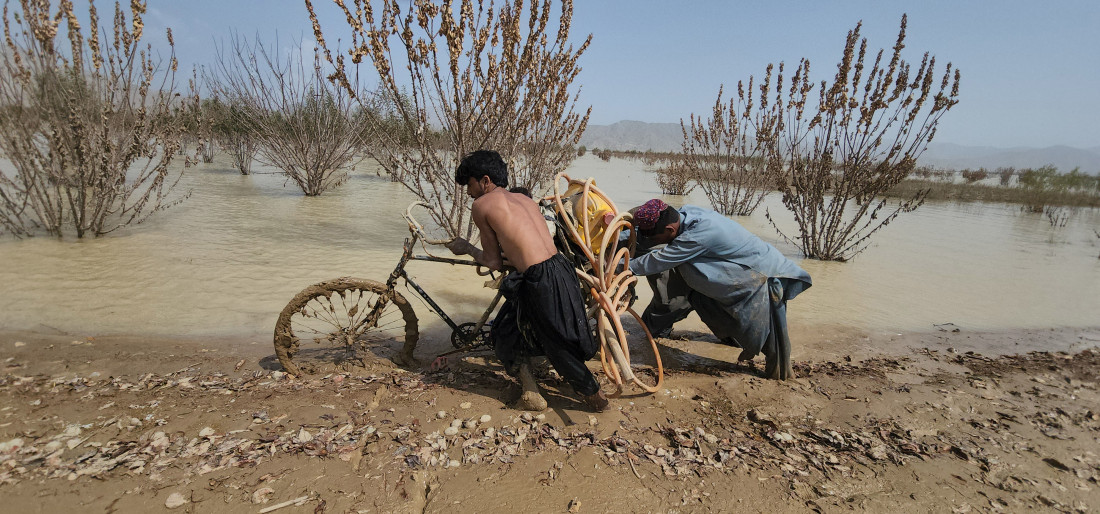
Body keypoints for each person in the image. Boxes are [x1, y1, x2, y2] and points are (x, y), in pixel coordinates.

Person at [444, 150, 608, 412]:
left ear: (485, 180)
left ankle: (594, 397)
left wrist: (466, 248)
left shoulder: (481, 206)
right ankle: (530, 385)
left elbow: (493, 262)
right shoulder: (524, 199)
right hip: (560, 268)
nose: (469, 192)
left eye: (470, 185)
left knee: (555, 342)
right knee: (509, 329)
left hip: (538, 279)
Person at [627, 199, 812, 380]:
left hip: (765, 275)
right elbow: (643, 239)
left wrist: (620, 266)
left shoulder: (698, 234)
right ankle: (735, 341)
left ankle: (779, 379)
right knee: (706, 303)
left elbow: (658, 260)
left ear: (669, 230)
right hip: (744, 272)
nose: (649, 240)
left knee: (772, 336)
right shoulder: (685, 213)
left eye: (653, 237)